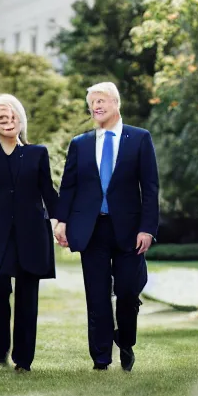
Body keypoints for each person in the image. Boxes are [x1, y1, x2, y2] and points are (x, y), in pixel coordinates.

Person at [54, 82, 159, 371]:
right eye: (92, 103)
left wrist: (147, 229)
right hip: (91, 229)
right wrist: (61, 221)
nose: (96, 106)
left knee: (127, 291)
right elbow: (69, 186)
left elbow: (150, 188)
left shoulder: (139, 138)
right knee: (97, 296)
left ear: (116, 103)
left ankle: (125, 341)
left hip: (129, 230)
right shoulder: (80, 143)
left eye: (101, 101)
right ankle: (101, 358)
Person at [0, 94, 58, 373]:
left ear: (21, 121)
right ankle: (0, 347)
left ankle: (24, 360)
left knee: (28, 297)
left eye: (12, 116)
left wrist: (60, 223)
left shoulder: (37, 153)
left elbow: (48, 193)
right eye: (1, 118)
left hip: (31, 234)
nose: (8, 121)